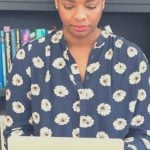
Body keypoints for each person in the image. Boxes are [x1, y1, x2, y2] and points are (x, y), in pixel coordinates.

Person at [3, 0, 150, 149]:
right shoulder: (28, 56)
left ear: (103, 3)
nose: (80, 16)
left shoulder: (132, 58)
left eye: (91, 6)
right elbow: (16, 131)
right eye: (69, 6)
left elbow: (144, 134)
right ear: (57, 2)